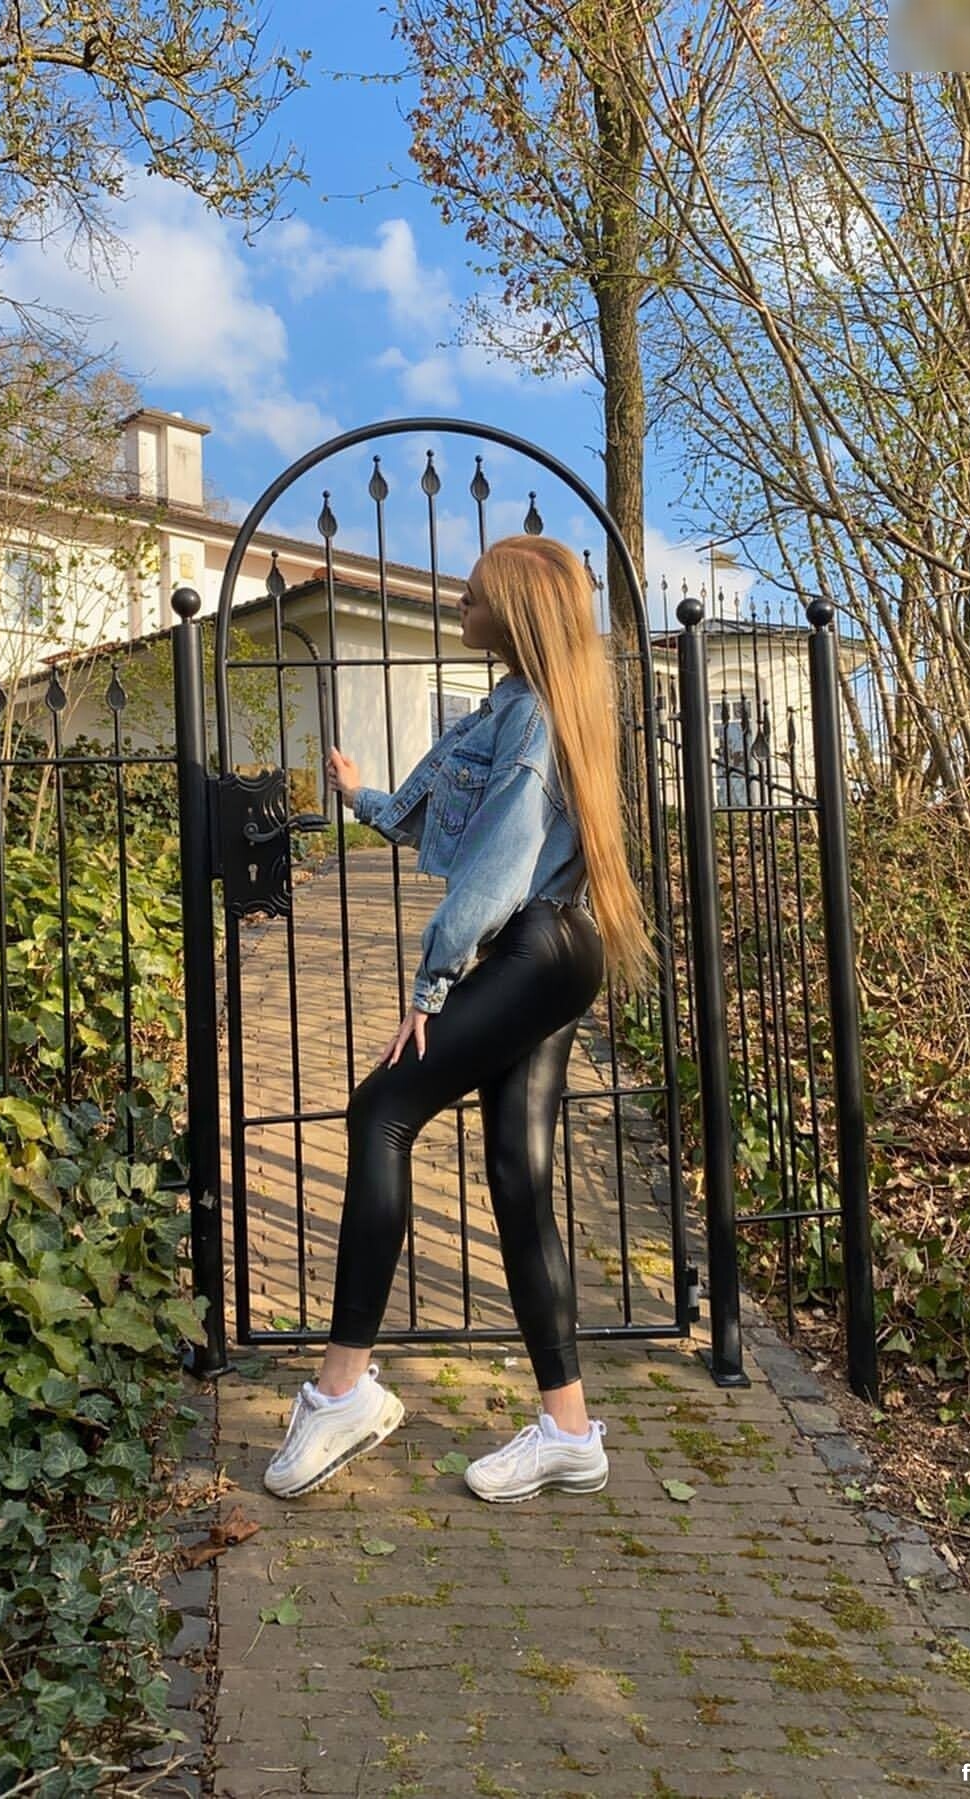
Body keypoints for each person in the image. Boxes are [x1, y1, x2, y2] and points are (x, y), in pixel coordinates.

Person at [262, 535, 657, 1505]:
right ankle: (570, 1432)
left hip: (535, 946)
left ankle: (341, 1392)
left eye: (473, 597)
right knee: (518, 1177)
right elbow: (444, 816)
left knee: (381, 1111)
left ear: (513, 611)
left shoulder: (531, 717)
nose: (459, 607)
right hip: (561, 947)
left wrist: (430, 984)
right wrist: (360, 795)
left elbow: (498, 863)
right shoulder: (531, 702)